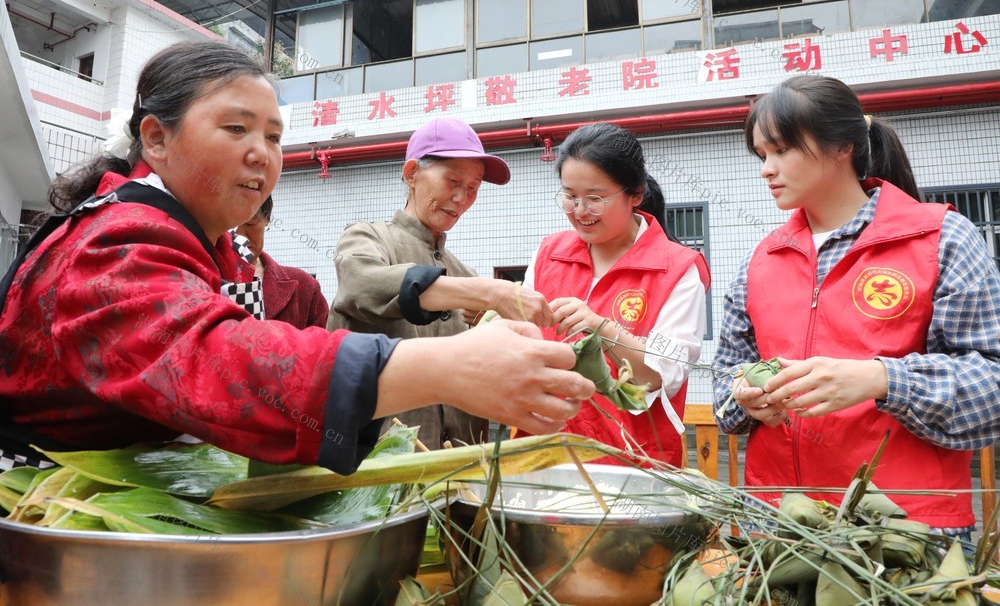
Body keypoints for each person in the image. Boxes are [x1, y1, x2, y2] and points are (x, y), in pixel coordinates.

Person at [0, 41, 593, 475]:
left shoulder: (208, 244)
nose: (262, 153)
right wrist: (453, 359)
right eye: (237, 128)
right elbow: (224, 359)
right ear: (155, 138)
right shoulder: (113, 242)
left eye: (276, 138)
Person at [713, 74, 1000, 533]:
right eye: (761, 154)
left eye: (782, 150)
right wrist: (747, 400)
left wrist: (883, 379)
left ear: (841, 146)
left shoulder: (941, 239)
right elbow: (726, 376)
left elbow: (994, 380)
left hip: (907, 532)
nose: (766, 168)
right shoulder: (758, 260)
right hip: (780, 525)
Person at [331, 117, 554, 450]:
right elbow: (363, 285)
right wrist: (489, 290)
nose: (462, 198)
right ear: (411, 174)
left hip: (457, 471)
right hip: (375, 471)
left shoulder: (461, 271)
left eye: (473, 188)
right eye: (453, 181)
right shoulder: (366, 238)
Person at [524, 123, 711, 467]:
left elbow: (661, 373)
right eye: (569, 195)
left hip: (630, 466)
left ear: (635, 194)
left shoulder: (677, 270)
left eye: (595, 198)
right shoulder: (549, 254)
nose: (579, 210)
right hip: (544, 456)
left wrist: (603, 328)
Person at [235, 195, 329, 329]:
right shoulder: (201, 279)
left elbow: (323, 345)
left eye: (250, 223)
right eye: (228, 227)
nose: (240, 237)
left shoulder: (304, 287)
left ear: (267, 218)